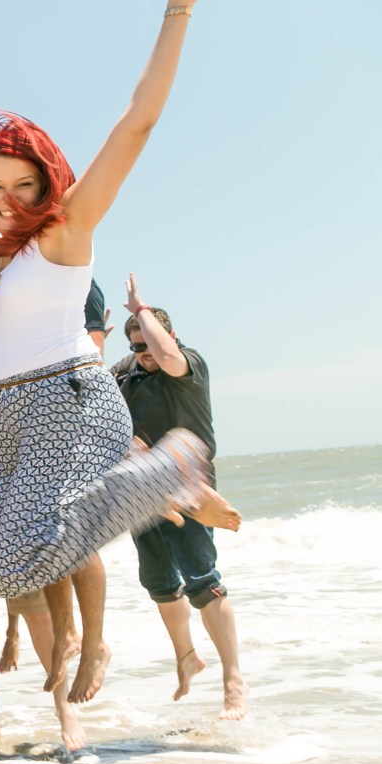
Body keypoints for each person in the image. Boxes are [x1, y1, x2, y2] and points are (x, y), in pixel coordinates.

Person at [0, 0, 235, 704]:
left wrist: (178, 9)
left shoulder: (65, 235)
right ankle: (154, 484)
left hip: (71, 397)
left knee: (9, 564)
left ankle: (164, 475)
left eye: (23, 186)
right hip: (13, 411)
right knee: (3, 566)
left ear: (46, 185)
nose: (5, 199)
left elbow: (138, 121)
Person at [114, 274, 247, 720]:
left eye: (148, 343)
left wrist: (140, 310)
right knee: (158, 584)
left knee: (202, 579)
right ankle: (187, 656)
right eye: (136, 347)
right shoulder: (126, 373)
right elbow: (94, 401)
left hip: (190, 487)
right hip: (142, 491)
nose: (144, 354)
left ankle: (233, 680)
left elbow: (168, 356)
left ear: (167, 334)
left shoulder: (188, 364)